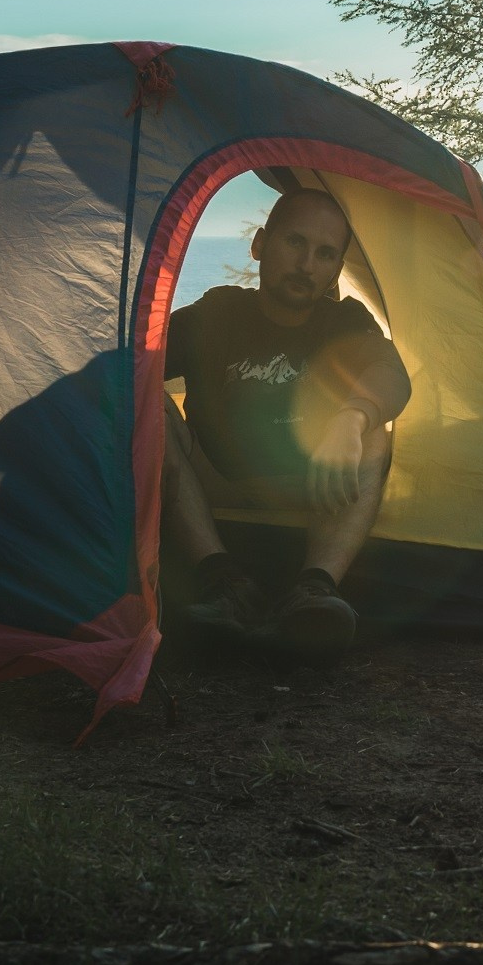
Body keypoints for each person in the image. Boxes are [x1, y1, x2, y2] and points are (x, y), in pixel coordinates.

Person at [161, 188, 408, 657]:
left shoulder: (344, 322)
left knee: (373, 425)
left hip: (311, 484)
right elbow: (134, 361)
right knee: (149, 406)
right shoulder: (216, 313)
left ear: (336, 268)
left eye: (324, 254)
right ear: (260, 244)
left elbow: (391, 374)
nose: (306, 265)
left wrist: (351, 419)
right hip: (214, 482)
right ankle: (223, 584)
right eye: (295, 242)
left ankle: (315, 589)